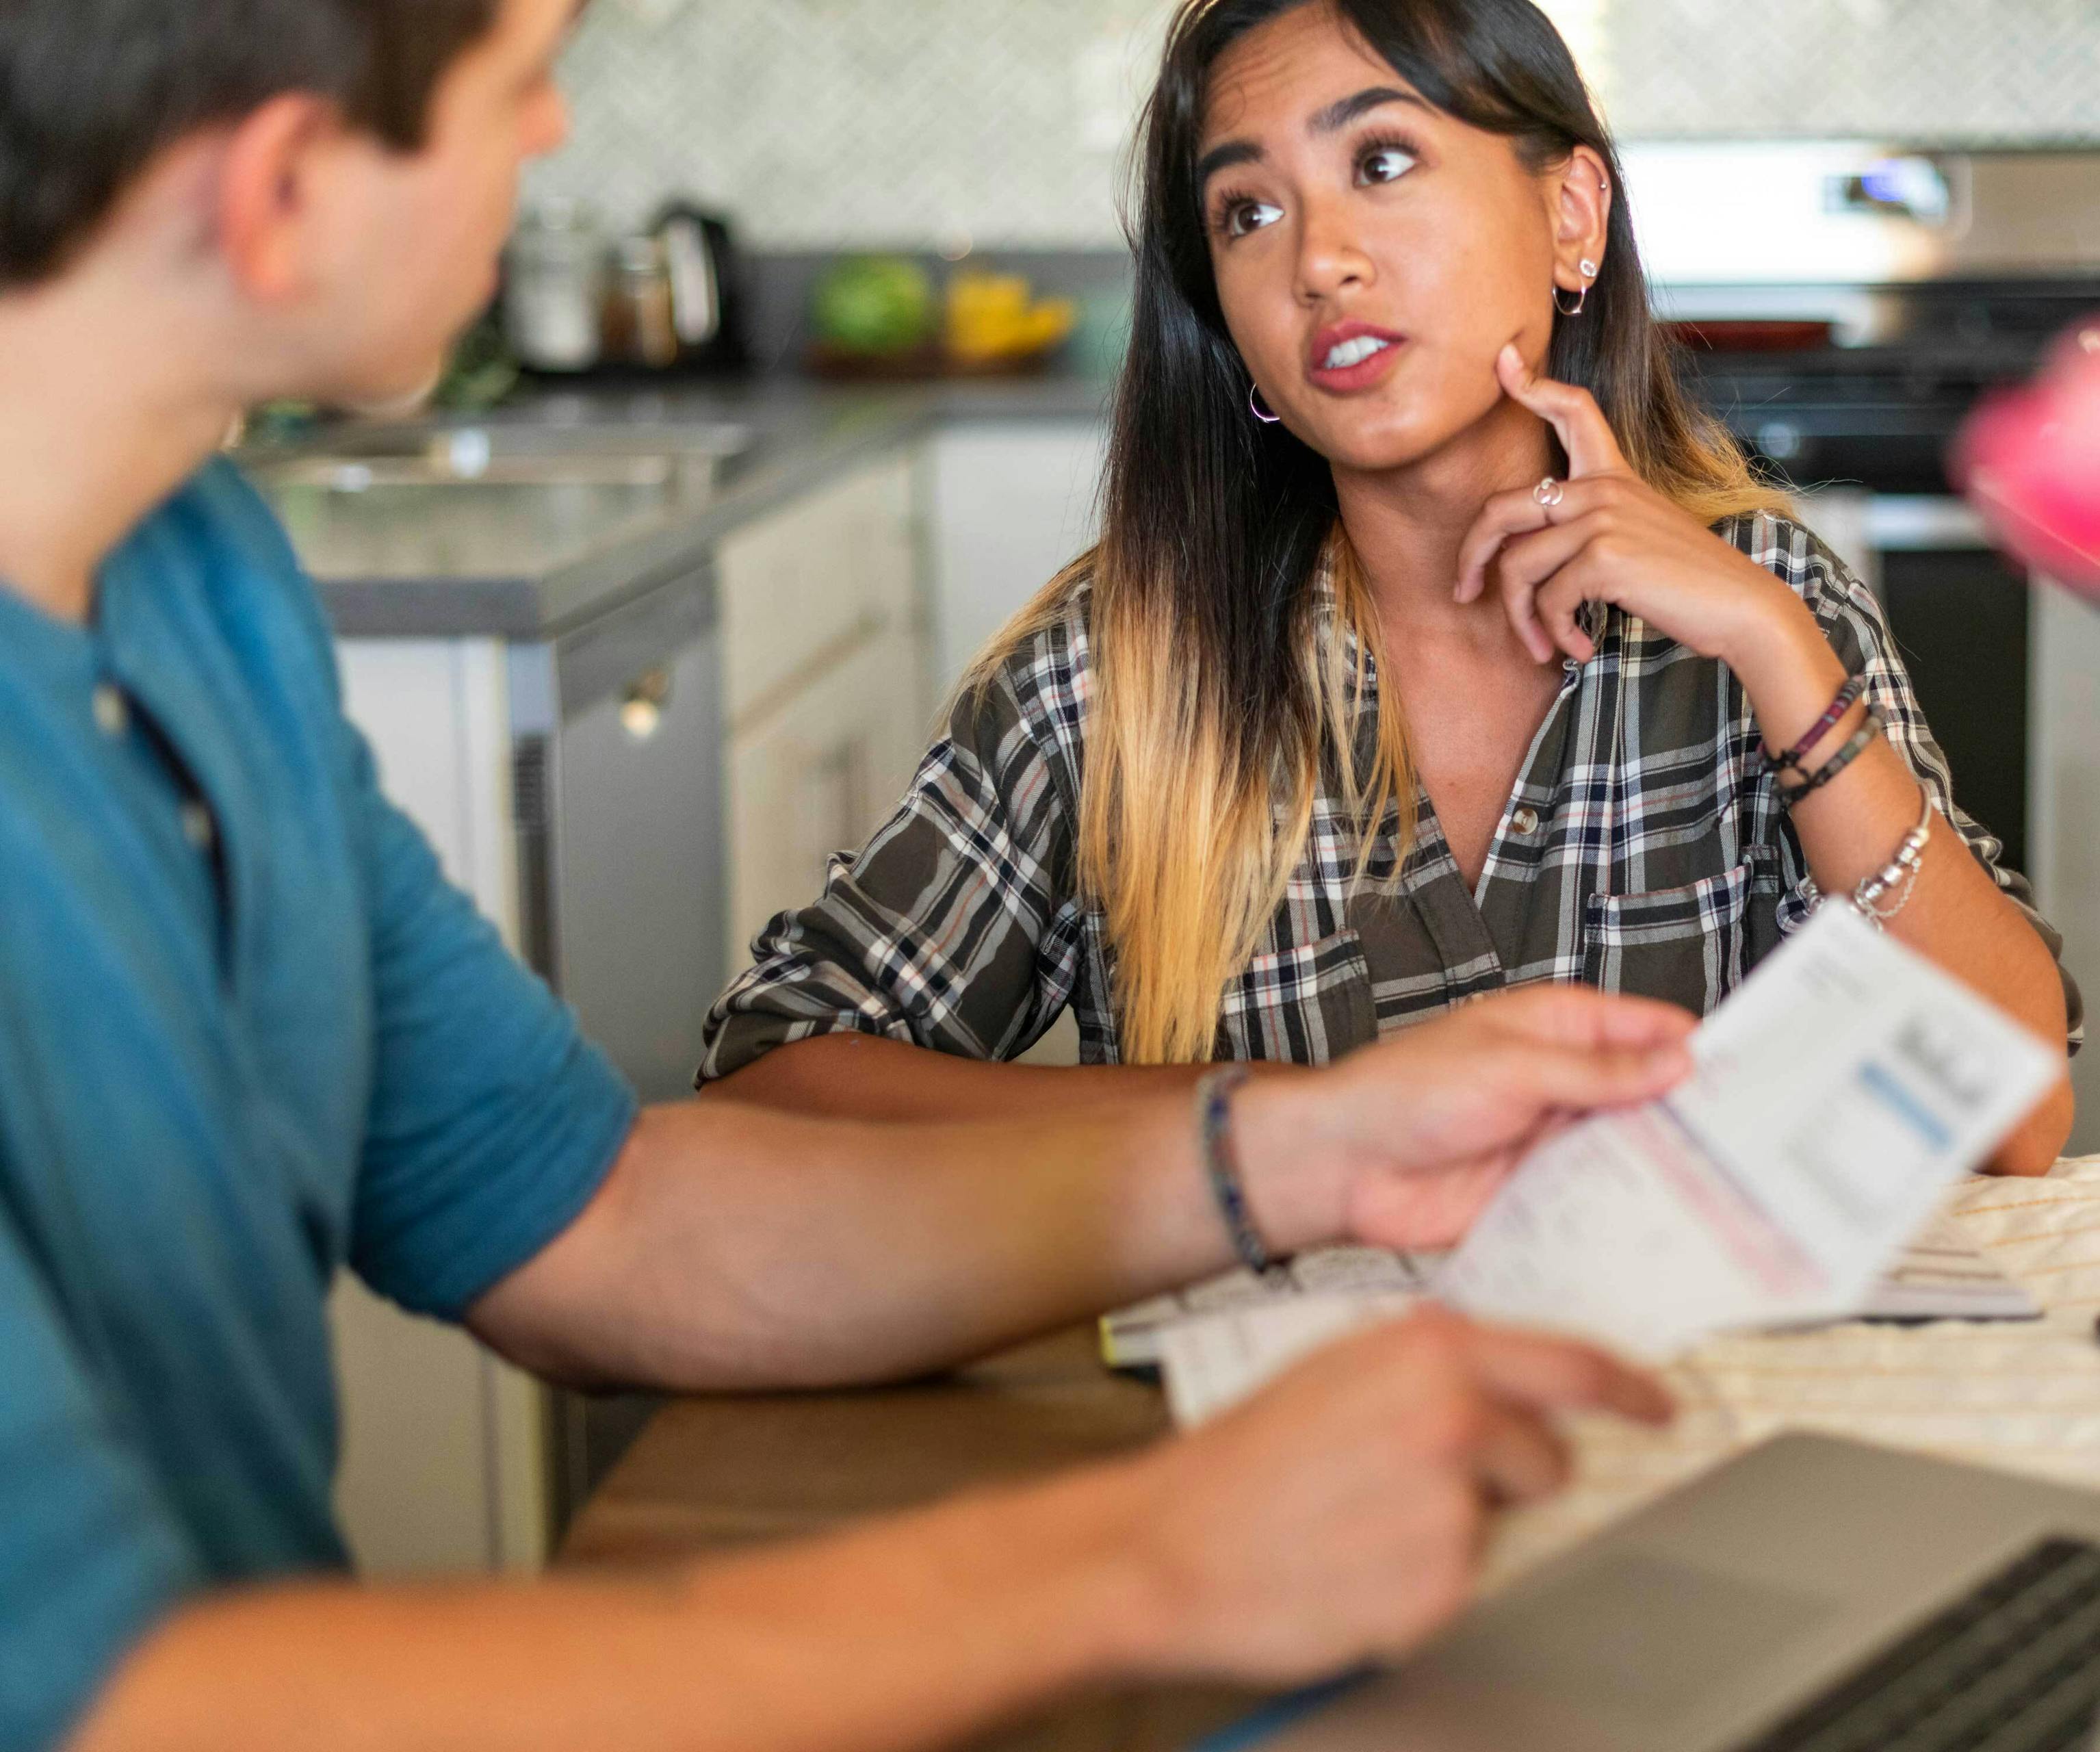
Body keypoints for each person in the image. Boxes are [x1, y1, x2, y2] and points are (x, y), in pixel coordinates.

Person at [0, 3, 1705, 1747]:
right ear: (283, 187)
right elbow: (114, 1702)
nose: (552, 144)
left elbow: (601, 1222)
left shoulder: (200, 588)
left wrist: (1294, 1150)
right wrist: (1143, 1556)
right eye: (517, 88)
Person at [702, 0, 2082, 1176]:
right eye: (1248, 211)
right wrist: (1281, 1130)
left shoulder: (1766, 601)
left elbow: (2018, 1114)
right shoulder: (1118, 669)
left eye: (1381, 160)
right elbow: (773, 1078)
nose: (1318, 260)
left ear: (1570, 215)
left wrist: (1781, 656)